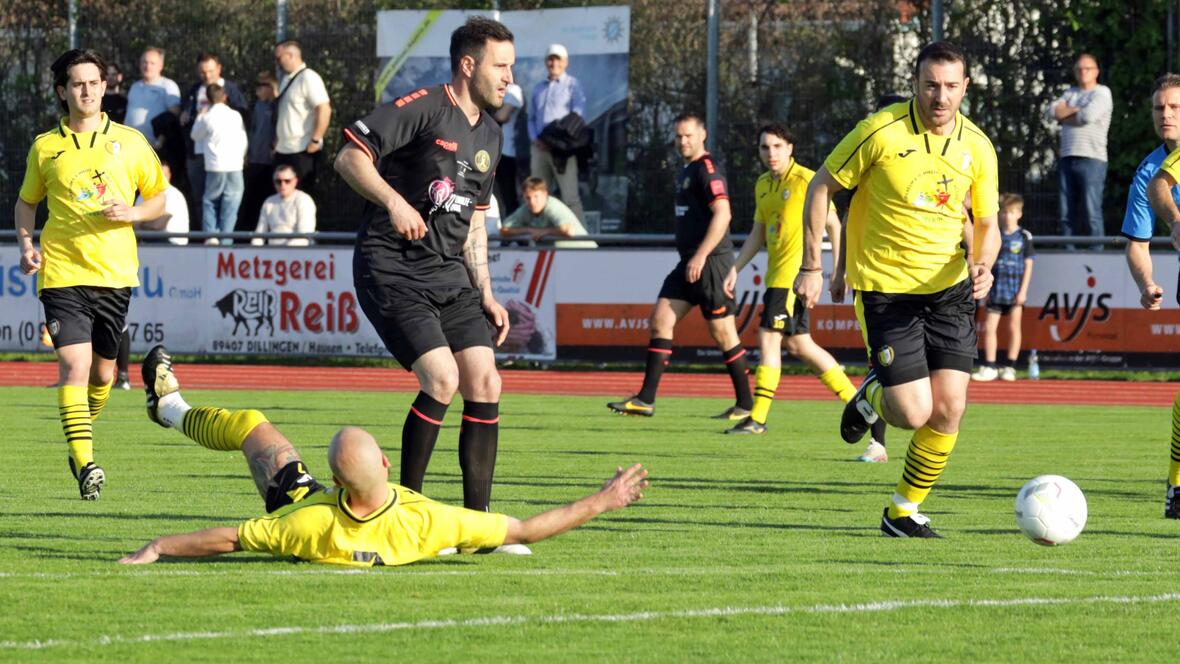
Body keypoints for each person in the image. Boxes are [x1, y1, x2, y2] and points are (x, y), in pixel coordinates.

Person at [121, 346, 648, 565]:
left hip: (298, 499)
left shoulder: (307, 523)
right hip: (366, 521)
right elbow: (527, 530)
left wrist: (158, 546)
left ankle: (169, 408)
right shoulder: (426, 522)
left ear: (335, 481)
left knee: (251, 424)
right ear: (389, 468)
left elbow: (231, 538)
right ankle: (167, 405)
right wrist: (603, 501)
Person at [794, 42, 1000, 538]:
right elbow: (821, 187)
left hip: (948, 290)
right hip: (887, 291)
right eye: (931, 85)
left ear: (966, 88)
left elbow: (986, 221)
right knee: (913, 412)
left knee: (950, 407)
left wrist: (984, 264)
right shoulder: (879, 131)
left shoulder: (978, 146)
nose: (941, 96)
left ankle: (902, 511)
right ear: (915, 84)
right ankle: (871, 396)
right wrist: (814, 266)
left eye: (952, 86)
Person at [334, 18, 516, 524]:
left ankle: (479, 523)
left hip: (449, 275)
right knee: (442, 378)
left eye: (510, 68)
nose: (507, 78)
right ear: (467, 64)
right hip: (390, 265)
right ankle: (401, 510)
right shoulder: (423, 107)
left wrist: (488, 293)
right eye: (500, 67)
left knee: (485, 382)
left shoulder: (492, 135)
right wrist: (394, 202)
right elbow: (349, 158)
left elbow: (475, 226)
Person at [14, 48, 168, 500]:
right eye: (76, 84)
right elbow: (27, 202)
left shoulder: (132, 141)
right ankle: (85, 461)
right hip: (61, 271)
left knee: (102, 376)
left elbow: (160, 199)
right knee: (73, 365)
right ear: (63, 92)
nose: (86, 90)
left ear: (104, 86)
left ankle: (78, 434)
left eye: (93, 82)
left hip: (115, 273)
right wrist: (27, 243)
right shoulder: (46, 146)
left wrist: (134, 213)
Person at [721, 123, 868, 444]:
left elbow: (834, 224)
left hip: (794, 278)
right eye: (764, 148)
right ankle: (858, 402)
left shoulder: (806, 181)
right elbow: (758, 233)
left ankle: (757, 417)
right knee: (800, 344)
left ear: (790, 148)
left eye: (777, 146)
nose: (770, 153)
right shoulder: (762, 184)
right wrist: (735, 267)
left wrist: (835, 271)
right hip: (776, 278)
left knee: (768, 338)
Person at [608, 114, 753, 421]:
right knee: (660, 319)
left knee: (723, 333)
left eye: (688, 135)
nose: (683, 141)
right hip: (688, 263)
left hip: (710, 263)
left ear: (703, 136)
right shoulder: (686, 170)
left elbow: (723, 214)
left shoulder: (707, 170)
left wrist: (701, 256)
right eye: (678, 136)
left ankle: (746, 404)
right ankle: (645, 400)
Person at [1130, 74, 1180, 519]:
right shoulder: (1151, 169)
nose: (1166, 115)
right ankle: (1178, 487)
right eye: (1159, 109)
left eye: (1174, 107)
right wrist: (1147, 283)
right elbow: (1159, 188)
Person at [1044, 53, 1113, 243]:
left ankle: (1097, 253)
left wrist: (1066, 113)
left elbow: (1088, 117)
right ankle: (1069, 252)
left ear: (1096, 71)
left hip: (1093, 159)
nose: (1083, 72)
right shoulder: (1070, 93)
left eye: (1087, 68)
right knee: (1066, 212)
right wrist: (1074, 111)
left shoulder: (1102, 92)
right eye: (1079, 69)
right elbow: (1051, 112)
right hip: (1067, 157)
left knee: (1092, 211)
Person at [972, 194, 1034, 382]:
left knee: (1014, 327)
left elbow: (1029, 265)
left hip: (1015, 290)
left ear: (1019, 214)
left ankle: (1010, 366)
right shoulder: (995, 234)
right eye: (1005, 212)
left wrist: (1023, 291)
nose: (1008, 216)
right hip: (996, 289)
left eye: (1012, 212)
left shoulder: (1024, 236)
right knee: (990, 327)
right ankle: (990, 365)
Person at [181, 52, 248, 224]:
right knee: (200, 196)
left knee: (225, 199)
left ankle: (222, 238)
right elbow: (187, 113)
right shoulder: (195, 90)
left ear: (219, 68)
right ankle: (206, 235)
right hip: (198, 152)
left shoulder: (230, 89)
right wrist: (185, 116)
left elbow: (242, 115)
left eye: (211, 71)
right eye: (203, 72)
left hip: (225, 157)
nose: (207, 76)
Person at [529, 43, 586, 222]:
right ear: (546, 62)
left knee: (570, 197)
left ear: (566, 62)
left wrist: (557, 139)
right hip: (539, 149)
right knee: (537, 196)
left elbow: (578, 117)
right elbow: (531, 118)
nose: (554, 63)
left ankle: (582, 242)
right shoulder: (538, 88)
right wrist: (536, 139)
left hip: (562, 150)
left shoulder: (573, 85)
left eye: (558, 59)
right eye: (551, 59)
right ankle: (541, 238)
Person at [190, 84, 247, 244]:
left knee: (210, 201)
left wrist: (200, 116)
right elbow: (243, 139)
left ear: (208, 99)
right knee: (231, 204)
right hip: (235, 165)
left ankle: (211, 236)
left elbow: (195, 135)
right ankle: (226, 239)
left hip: (215, 166)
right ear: (225, 96)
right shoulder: (236, 115)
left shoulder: (208, 117)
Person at [274, 40, 331, 194]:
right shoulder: (287, 79)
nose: (277, 62)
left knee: (302, 196)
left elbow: (324, 108)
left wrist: (315, 139)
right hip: (283, 149)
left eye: (279, 58)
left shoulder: (309, 77)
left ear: (291, 55)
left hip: (302, 149)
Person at [500, 177, 596, 248]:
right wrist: (529, 230)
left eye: (536, 196)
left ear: (545, 195)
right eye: (528, 198)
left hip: (584, 253)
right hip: (559, 257)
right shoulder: (525, 209)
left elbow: (569, 231)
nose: (532, 202)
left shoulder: (553, 206)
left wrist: (544, 232)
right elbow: (504, 230)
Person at [241, 71, 279, 230]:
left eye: (262, 86)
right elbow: (253, 130)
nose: (257, 91)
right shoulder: (257, 105)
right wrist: (247, 153)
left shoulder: (278, 105)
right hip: (255, 159)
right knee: (252, 198)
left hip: (271, 161)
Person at [123, 47, 180, 146]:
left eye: (152, 63)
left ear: (161, 66)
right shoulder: (134, 87)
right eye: (145, 62)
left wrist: (161, 141)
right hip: (130, 146)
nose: (147, 66)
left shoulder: (168, 86)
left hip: (155, 148)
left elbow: (174, 115)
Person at [252, 164, 316, 246]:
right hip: (272, 254)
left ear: (295, 181)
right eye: (278, 181)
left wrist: (284, 251)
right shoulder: (269, 202)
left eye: (287, 181)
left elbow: (305, 235)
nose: (283, 185)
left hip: (299, 253)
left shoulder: (304, 200)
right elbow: (259, 234)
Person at [136, 161, 190, 246]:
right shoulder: (143, 194)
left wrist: (141, 219)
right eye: (159, 176)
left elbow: (158, 223)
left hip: (172, 243)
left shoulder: (174, 194)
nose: (161, 179)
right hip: (148, 240)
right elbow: (134, 222)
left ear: (170, 176)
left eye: (164, 176)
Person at [494, 82, 524, 214]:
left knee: (509, 194)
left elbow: (502, 116)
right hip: (490, 150)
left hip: (507, 151)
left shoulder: (513, 90)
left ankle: (514, 227)